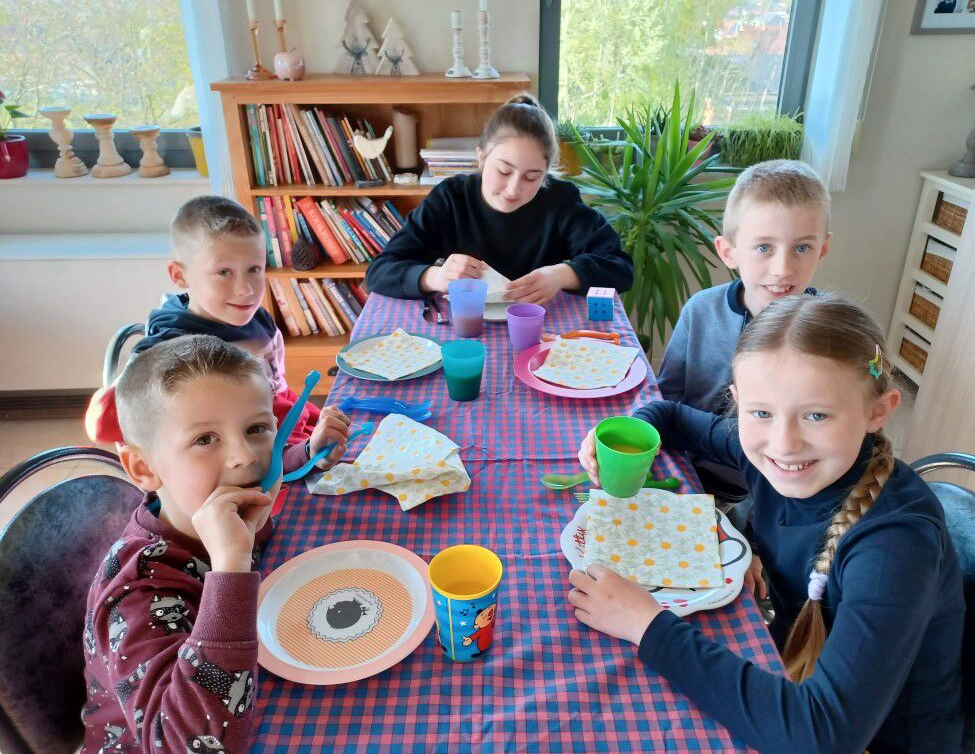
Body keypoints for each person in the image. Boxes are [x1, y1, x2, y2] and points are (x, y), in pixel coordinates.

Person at [570, 294, 964, 754]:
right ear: (738, 402)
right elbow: (670, 416)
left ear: (878, 411)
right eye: (760, 412)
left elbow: (821, 736)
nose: (784, 442)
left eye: (816, 415)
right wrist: (625, 436)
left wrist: (646, 623)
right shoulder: (771, 451)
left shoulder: (894, 547)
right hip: (786, 656)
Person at [81, 335, 350, 754]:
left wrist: (303, 455)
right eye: (205, 439)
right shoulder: (138, 593)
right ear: (144, 467)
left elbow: (265, 460)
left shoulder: (219, 499)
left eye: (256, 429)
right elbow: (191, 745)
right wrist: (230, 566)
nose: (245, 456)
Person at [86, 195, 326, 449]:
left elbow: (280, 393)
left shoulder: (259, 319)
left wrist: (317, 418)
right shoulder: (171, 349)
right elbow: (102, 424)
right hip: (252, 462)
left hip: (293, 439)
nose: (245, 289)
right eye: (224, 272)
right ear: (180, 275)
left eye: (254, 269)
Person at [364, 94, 633, 304]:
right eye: (504, 171)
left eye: (532, 177)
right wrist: (435, 276)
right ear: (481, 156)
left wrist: (562, 274)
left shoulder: (561, 201)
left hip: (541, 331)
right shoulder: (450, 199)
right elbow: (380, 271)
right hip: (464, 330)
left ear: (546, 174)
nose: (513, 189)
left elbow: (620, 267)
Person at [657, 159, 830, 413]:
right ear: (728, 252)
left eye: (802, 248)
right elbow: (666, 397)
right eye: (764, 247)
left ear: (822, 250)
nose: (782, 269)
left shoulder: (833, 328)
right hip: (692, 439)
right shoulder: (700, 311)